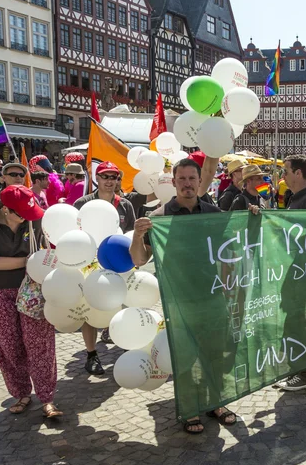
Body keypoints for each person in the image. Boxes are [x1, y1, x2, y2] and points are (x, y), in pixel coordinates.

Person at [130, 158, 237, 434]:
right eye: (183, 179)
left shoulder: (212, 212)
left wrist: (228, 286)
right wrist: (136, 236)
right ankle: (190, 408)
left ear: (200, 181)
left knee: (215, 352)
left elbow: (227, 253)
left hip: (211, 295)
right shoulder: (160, 218)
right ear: (174, 182)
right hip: (179, 299)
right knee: (186, 355)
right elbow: (140, 260)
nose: (188, 183)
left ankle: (217, 402)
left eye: (193, 178)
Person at [0, 185, 62, 418]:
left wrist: (40, 263)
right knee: (9, 347)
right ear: (5, 209)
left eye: (29, 212)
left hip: (33, 288)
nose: (25, 217)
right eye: (20, 213)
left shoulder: (35, 220)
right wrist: (31, 261)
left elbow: (51, 253)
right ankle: (22, 393)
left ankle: (47, 398)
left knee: (40, 344)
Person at [74, 161, 136, 374]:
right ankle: (91, 355)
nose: (110, 181)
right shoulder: (82, 203)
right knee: (89, 309)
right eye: (105, 176)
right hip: (88, 264)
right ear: (96, 179)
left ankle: (126, 344)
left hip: (118, 263)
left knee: (124, 304)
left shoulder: (125, 205)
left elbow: (131, 236)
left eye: (114, 177)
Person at [275, 154, 306, 391]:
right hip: (295, 273)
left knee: (302, 323)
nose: (283, 175)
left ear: (299, 174)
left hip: (305, 275)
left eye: (286, 171)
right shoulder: (295, 198)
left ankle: (305, 375)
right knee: (293, 322)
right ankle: (296, 370)